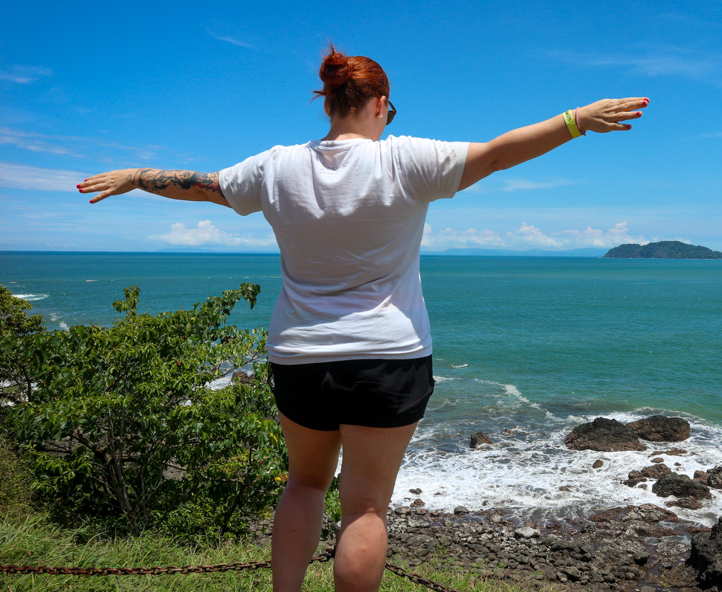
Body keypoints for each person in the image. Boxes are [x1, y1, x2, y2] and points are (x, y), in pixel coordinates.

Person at [77, 44, 647, 592]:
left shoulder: (275, 168)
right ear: (380, 104)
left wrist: (136, 175)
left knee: (302, 485)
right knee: (366, 507)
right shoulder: (405, 160)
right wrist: (575, 120)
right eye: (389, 111)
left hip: (299, 357)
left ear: (327, 103)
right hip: (387, 356)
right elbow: (498, 153)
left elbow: (202, 188)